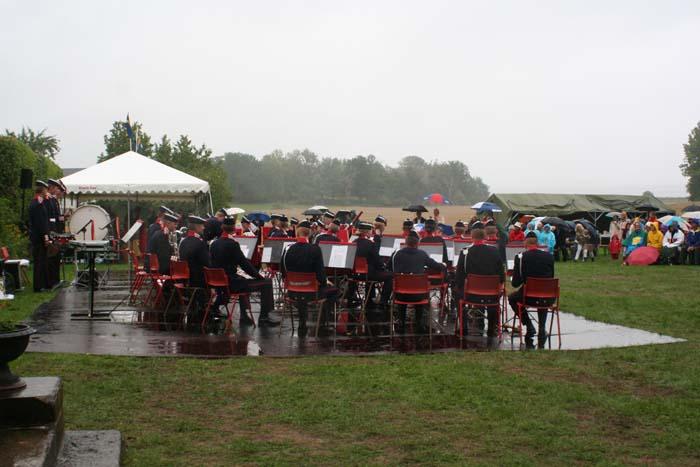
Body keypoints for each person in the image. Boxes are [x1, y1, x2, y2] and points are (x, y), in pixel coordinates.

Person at [210, 216, 279, 327]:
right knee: (266, 283)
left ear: (222, 227)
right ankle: (264, 317)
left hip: (220, 282)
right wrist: (258, 276)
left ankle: (244, 316)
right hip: (231, 284)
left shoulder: (214, 244)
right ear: (234, 228)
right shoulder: (233, 244)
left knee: (242, 280)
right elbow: (244, 264)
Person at [281, 220, 339, 337]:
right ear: (310, 233)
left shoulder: (287, 249)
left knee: (303, 291)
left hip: (292, 292)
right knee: (334, 290)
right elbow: (321, 276)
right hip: (312, 293)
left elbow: (283, 271)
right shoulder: (315, 249)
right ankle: (322, 322)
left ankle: (302, 322)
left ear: (297, 233)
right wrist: (325, 282)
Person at [454, 223, 504, 342]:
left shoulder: (465, 252)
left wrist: (459, 287)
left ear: (471, 237)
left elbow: (459, 275)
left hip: (470, 294)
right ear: (485, 237)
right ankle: (492, 328)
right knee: (494, 301)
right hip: (491, 294)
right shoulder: (494, 251)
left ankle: (463, 327)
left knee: (457, 294)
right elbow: (501, 274)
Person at [388, 231, 445, 333]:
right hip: (418, 296)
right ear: (418, 243)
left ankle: (401, 323)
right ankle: (419, 323)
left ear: (406, 241)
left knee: (403, 288)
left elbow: (390, 269)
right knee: (421, 290)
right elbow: (436, 266)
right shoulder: (422, 254)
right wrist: (443, 265)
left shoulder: (397, 254)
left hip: (400, 294)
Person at [508, 232, 555, 349]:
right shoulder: (549, 256)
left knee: (512, 298)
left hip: (528, 296)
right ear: (537, 243)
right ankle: (542, 327)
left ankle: (529, 325)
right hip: (548, 296)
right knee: (542, 297)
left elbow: (515, 283)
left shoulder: (520, 257)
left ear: (525, 243)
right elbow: (551, 276)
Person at [349, 222, 393, 306]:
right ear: (367, 232)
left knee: (371, 270)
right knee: (390, 276)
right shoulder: (370, 244)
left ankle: (367, 299)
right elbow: (377, 261)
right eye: (370, 231)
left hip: (355, 274)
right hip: (368, 274)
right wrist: (384, 266)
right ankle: (383, 301)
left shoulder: (353, 242)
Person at [28, 180, 50, 292]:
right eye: (46, 189)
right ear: (42, 190)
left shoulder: (36, 202)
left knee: (41, 261)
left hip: (37, 236)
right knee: (39, 262)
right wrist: (45, 237)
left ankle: (41, 284)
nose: (47, 191)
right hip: (39, 238)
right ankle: (38, 286)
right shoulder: (38, 204)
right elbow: (41, 223)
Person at [178, 215, 210, 288]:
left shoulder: (183, 242)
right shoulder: (199, 243)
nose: (204, 228)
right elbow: (207, 263)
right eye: (202, 226)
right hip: (198, 280)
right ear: (197, 227)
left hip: (186, 278)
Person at [46, 179, 64, 287]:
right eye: (57, 189)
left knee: (56, 257)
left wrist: (62, 218)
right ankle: (52, 280)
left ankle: (56, 279)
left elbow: (56, 217)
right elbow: (51, 218)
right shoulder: (49, 200)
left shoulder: (54, 201)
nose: (58, 191)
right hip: (52, 231)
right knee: (52, 257)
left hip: (55, 230)